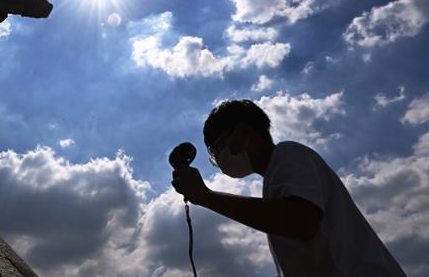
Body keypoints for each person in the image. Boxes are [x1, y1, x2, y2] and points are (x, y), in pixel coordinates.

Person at [171, 99, 406, 277]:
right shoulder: (274, 181)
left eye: (220, 146)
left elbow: (301, 222)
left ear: (243, 132)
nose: (220, 158)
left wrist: (206, 197)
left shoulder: (288, 153)